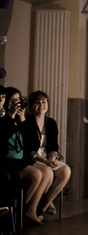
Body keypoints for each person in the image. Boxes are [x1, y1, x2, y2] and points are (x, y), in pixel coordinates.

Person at [1, 87, 52, 226]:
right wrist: (11, 117)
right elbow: (5, 136)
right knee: (36, 175)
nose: (16, 103)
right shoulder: (4, 117)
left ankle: (27, 209)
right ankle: (18, 210)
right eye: (12, 100)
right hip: (9, 160)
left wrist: (22, 119)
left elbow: (33, 143)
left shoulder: (23, 119)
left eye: (18, 100)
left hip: (21, 159)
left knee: (45, 172)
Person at [23, 90, 71, 218]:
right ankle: (36, 207)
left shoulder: (51, 123)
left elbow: (53, 146)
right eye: (37, 102)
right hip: (34, 158)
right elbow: (27, 149)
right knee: (48, 171)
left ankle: (44, 205)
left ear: (48, 104)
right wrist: (46, 162)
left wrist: (52, 159)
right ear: (31, 106)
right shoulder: (27, 123)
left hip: (46, 157)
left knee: (66, 170)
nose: (41, 105)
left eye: (44, 102)